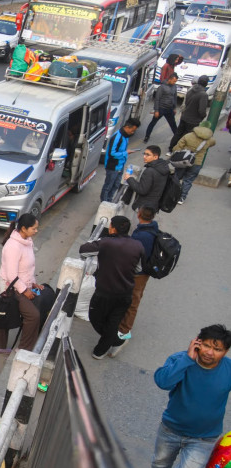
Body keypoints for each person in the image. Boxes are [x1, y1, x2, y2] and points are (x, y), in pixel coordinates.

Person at [145, 325, 231, 468]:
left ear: (225, 352)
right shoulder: (180, 359)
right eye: (207, 345)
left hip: (204, 438)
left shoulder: (228, 369)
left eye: (217, 349)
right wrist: (187, 359)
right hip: (171, 429)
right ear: (197, 342)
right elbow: (163, 382)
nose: (209, 352)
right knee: (159, 464)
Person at [79, 215, 145, 360]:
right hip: (125, 293)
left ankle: (111, 343)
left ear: (113, 228)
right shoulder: (138, 246)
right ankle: (107, 346)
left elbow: (83, 250)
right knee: (113, 322)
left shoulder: (105, 243)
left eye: (110, 225)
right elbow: (139, 268)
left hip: (104, 292)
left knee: (95, 318)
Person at [109, 205, 159, 357]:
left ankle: (123, 334)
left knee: (133, 302)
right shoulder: (152, 227)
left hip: (139, 273)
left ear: (139, 215)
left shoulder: (142, 236)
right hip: (142, 272)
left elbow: (135, 255)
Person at [0, 213, 41, 354]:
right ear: (23, 228)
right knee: (33, 316)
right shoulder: (13, 246)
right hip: (10, 287)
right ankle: (23, 350)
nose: (36, 231)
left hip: (19, 285)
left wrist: (34, 283)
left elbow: (28, 268)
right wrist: (25, 291)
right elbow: (12, 275)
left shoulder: (27, 241)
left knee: (6, 311)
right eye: (34, 228)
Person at [171, 123, 216, 204]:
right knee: (188, 180)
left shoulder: (189, 135)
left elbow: (178, 147)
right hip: (197, 162)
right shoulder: (210, 140)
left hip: (184, 160)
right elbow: (212, 144)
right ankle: (182, 198)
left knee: (177, 177)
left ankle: (171, 194)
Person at [100, 118, 139, 202]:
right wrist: (126, 153)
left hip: (120, 165)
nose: (133, 132)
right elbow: (112, 153)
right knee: (108, 186)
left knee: (116, 185)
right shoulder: (117, 137)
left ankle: (109, 200)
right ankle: (104, 202)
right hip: (113, 166)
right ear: (128, 127)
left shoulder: (126, 136)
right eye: (132, 130)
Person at [122, 145, 170, 211]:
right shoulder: (163, 166)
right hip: (154, 205)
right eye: (144, 154)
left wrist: (129, 178)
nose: (144, 156)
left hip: (144, 207)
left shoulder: (149, 171)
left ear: (155, 157)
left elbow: (142, 190)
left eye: (148, 155)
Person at [169, 75, 209, 150]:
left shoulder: (191, 90)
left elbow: (186, 103)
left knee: (178, 133)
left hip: (185, 116)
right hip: (193, 120)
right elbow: (202, 110)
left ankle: (171, 148)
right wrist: (202, 116)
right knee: (187, 136)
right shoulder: (203, 94)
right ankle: (178, 150)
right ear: (206, 84)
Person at [143, 74, 178, 143]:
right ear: (169, 79)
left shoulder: (174, 87)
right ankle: (147, 137)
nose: (174, 83)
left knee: (173, 125)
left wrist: (174, 108)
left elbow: (174, 97)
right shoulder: (161, 87)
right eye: (173, 81)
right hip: (161, 109)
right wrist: (156, 110)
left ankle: (177, 139)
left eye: (175, 81)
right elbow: (157, 99)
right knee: (153, 123)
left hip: (170, 109)